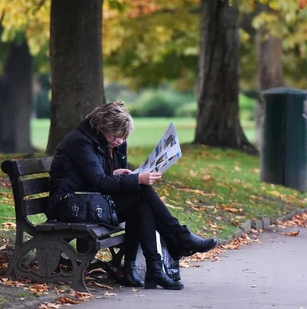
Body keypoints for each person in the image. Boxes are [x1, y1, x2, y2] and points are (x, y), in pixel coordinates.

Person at [45, 101, 218, 290]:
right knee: (141, 191)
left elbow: (101, 179)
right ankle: (178, 239)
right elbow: (100, 182)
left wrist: (120, 174)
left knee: (141, 205)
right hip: (67, 204)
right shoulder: (80, 141)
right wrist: (137, 180)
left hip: (89, 199)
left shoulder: (107, 142)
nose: (119, 141)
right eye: (116, 136)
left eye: (123, 137)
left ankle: (153, 267)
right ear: (102, 127)